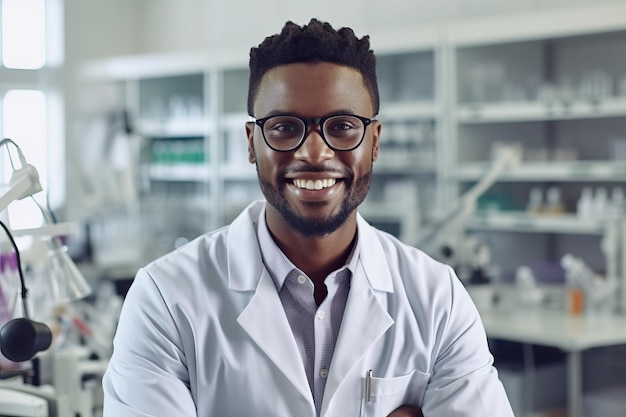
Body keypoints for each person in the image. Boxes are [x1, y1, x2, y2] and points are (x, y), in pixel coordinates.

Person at [102, 18, 514, 417]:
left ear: (374, 142)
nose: (314, 154)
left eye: (342, 126)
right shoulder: (164, 299)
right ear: (252, 143)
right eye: (283, 127)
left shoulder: (437, 298)